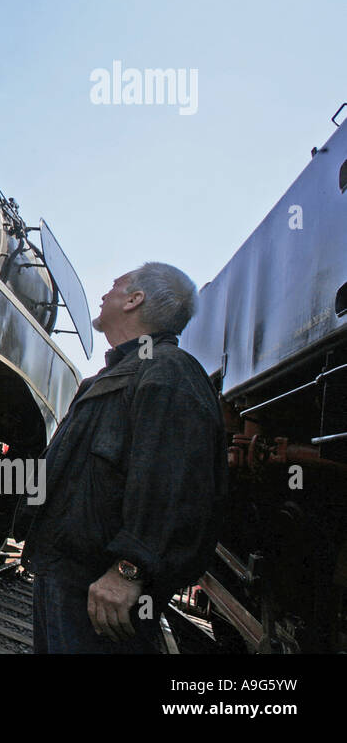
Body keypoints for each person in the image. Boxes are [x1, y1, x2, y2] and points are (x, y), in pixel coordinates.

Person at [21, 262, 226, 653]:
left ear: (135, 300)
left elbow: (174, 485)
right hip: (64, 575)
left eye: (116, 285)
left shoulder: (168, 373)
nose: (104, 292)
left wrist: (130, 569)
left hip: (101, 591)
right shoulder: (113, 378)